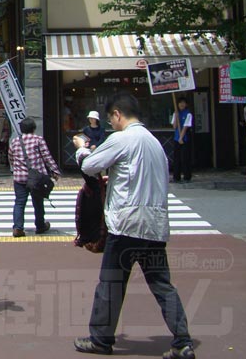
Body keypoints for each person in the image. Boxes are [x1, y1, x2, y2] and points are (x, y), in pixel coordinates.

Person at [72, 91, 195, 358]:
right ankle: (183, 342)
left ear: (117, 114)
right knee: (162, 285)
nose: (111, 124)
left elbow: (91, 165)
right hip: (154, 225)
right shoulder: (155, 144)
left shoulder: (122, 138)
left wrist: (81, 148)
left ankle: (101, 339)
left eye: (111, 119)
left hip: (126, 225)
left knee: (111, 284)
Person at [8, 118, 60, 237]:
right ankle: (40, 225)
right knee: (38, 202)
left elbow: (10, 156)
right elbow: (47, 156)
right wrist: (54, 171)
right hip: (36, 178)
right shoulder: (38, 140)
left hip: (19, 178)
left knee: (20, 202)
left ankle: (18, 228)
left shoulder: (15, 141)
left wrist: (16, 168)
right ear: (33, 128)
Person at [172, 96, 193, 183]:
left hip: (184, 138)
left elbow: (185, 127)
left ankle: (187, 177)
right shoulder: (176, 113)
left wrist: (181, 138)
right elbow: (174, 127)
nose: (181, 104)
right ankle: (176, 177)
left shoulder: (188, 114)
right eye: (180, 102)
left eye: (183, 103)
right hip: (176, 138)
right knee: (176, 158)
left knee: (185, 158)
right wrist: (176, 117)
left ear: (186, 104)